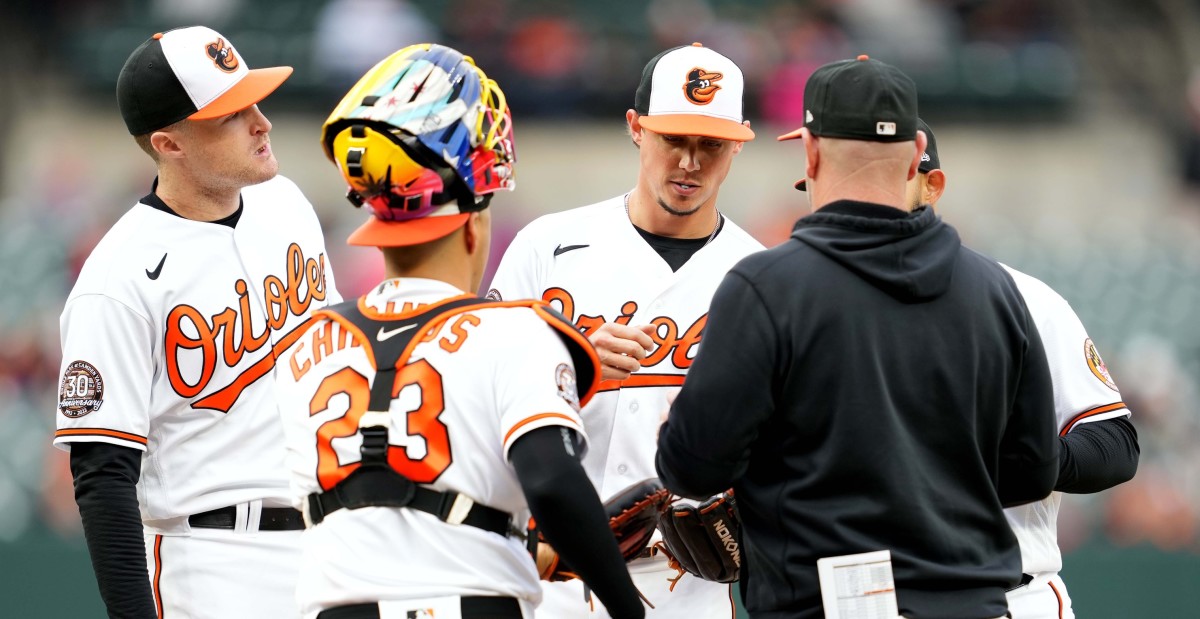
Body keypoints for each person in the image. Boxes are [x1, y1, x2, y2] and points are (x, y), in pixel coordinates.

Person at [655, 55, 1060, 619]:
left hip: (830, 604)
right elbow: (1035, 470)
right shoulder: (994, 289)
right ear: (918, 153)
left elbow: (693, 470)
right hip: (975, 602)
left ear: (812, 151)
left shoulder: (767, 287)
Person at [276, 43, 645, 619]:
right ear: (473, 226)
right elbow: (550, 482)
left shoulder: (306, 346)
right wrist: (628, 608)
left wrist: (527, 548)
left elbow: (389, 510)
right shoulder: (514, 331)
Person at [53, 26, 340, 618]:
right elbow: (102, 472)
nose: (261, 123)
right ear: (170, 144)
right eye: (231, 115)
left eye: (253, 101)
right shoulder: (116, 280)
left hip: (333, 541)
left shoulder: (285, 202)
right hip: (214, 560)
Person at [487, 42, 763, 618]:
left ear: (738, 142)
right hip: (550, 575)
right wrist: (569, 361)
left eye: (710, 144)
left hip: (688, 585)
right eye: (673, 139)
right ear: (636, 128)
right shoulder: (548, 245)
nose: (689, 162)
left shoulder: (760, 275)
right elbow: (474, 393)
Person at [905, 119, 1139, 619]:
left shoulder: (1019, 299)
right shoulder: (805, 306)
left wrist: (1025, 459)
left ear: (932, 186)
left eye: (889, 178)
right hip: (862, 600)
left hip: (1006, 594)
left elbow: (1114, 445)